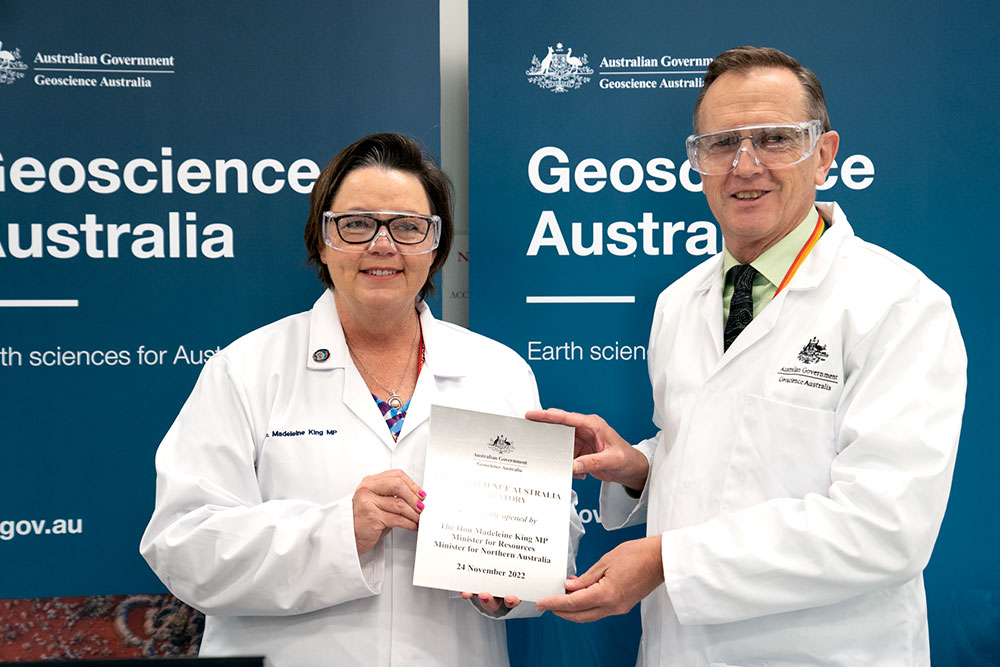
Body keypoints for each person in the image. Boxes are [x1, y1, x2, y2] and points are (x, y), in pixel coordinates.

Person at [532, 46, 967, 666]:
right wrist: (639, 468)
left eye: (774, 139)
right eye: (720, 143)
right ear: (697, 161)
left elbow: (885, 528)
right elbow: (724, 456)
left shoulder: (897, 304)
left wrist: (667, 559)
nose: (745, 165)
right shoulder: (680, 301)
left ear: (824, 154)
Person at [140, 132, 583, 667]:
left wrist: (510, 590)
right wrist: (338, 531)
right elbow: (182, 545)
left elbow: (551, 541)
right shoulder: (247, 369)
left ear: (436, 246)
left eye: (407, 227)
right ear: (322, 242)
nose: (382, 245)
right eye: (355, 224)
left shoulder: (498, 371)